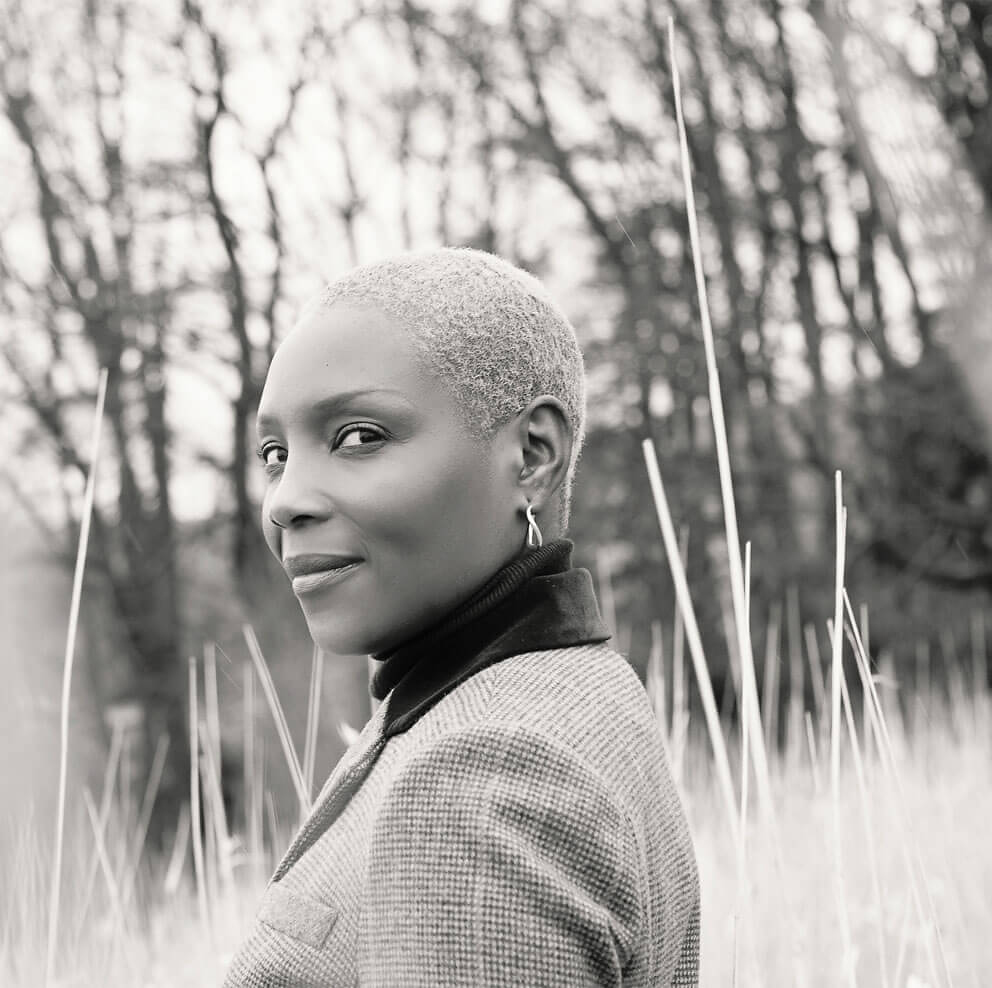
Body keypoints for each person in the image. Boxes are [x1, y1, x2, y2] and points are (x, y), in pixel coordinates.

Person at [221, 247, 701, 987]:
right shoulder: (565, 686)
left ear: (532, 456)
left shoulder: (478, 777)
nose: (285, 500)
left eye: (358, 436)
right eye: (276, 453)